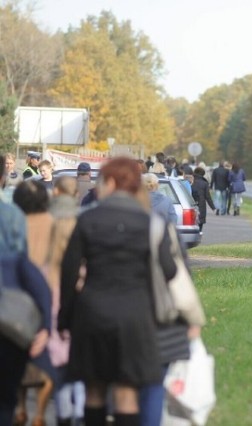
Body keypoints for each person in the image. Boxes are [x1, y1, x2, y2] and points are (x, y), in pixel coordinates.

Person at [58, 157, 177, 426]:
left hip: (92, 314)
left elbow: (68, 271)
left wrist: (64, 318)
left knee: (95, 390)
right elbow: (169, 270)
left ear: (110, 182)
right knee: (127, 391)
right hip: (136, 315)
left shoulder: (86, 219)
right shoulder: (151, 223)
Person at [12, 179, 57, 426]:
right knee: (46, 357)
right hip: (48, 293)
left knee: (18, 352)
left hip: (17, 295)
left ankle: (20, 406)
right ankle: (40, 413)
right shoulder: (53, 224)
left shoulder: (13, 223)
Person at [47, 176, 87, 426]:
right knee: (81, 361)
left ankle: (62, 413)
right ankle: (81, 411)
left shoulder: (46, 221)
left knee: (59, 362)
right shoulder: (83, 222)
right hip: (81, 298)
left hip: (52, 294)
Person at [191, 167, 215, 233]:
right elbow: (208, 197)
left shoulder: (191, 181)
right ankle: (199, 233)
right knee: (200, 221)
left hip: (191, 203)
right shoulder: (204, 183)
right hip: (201, 204)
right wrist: (213, 207)